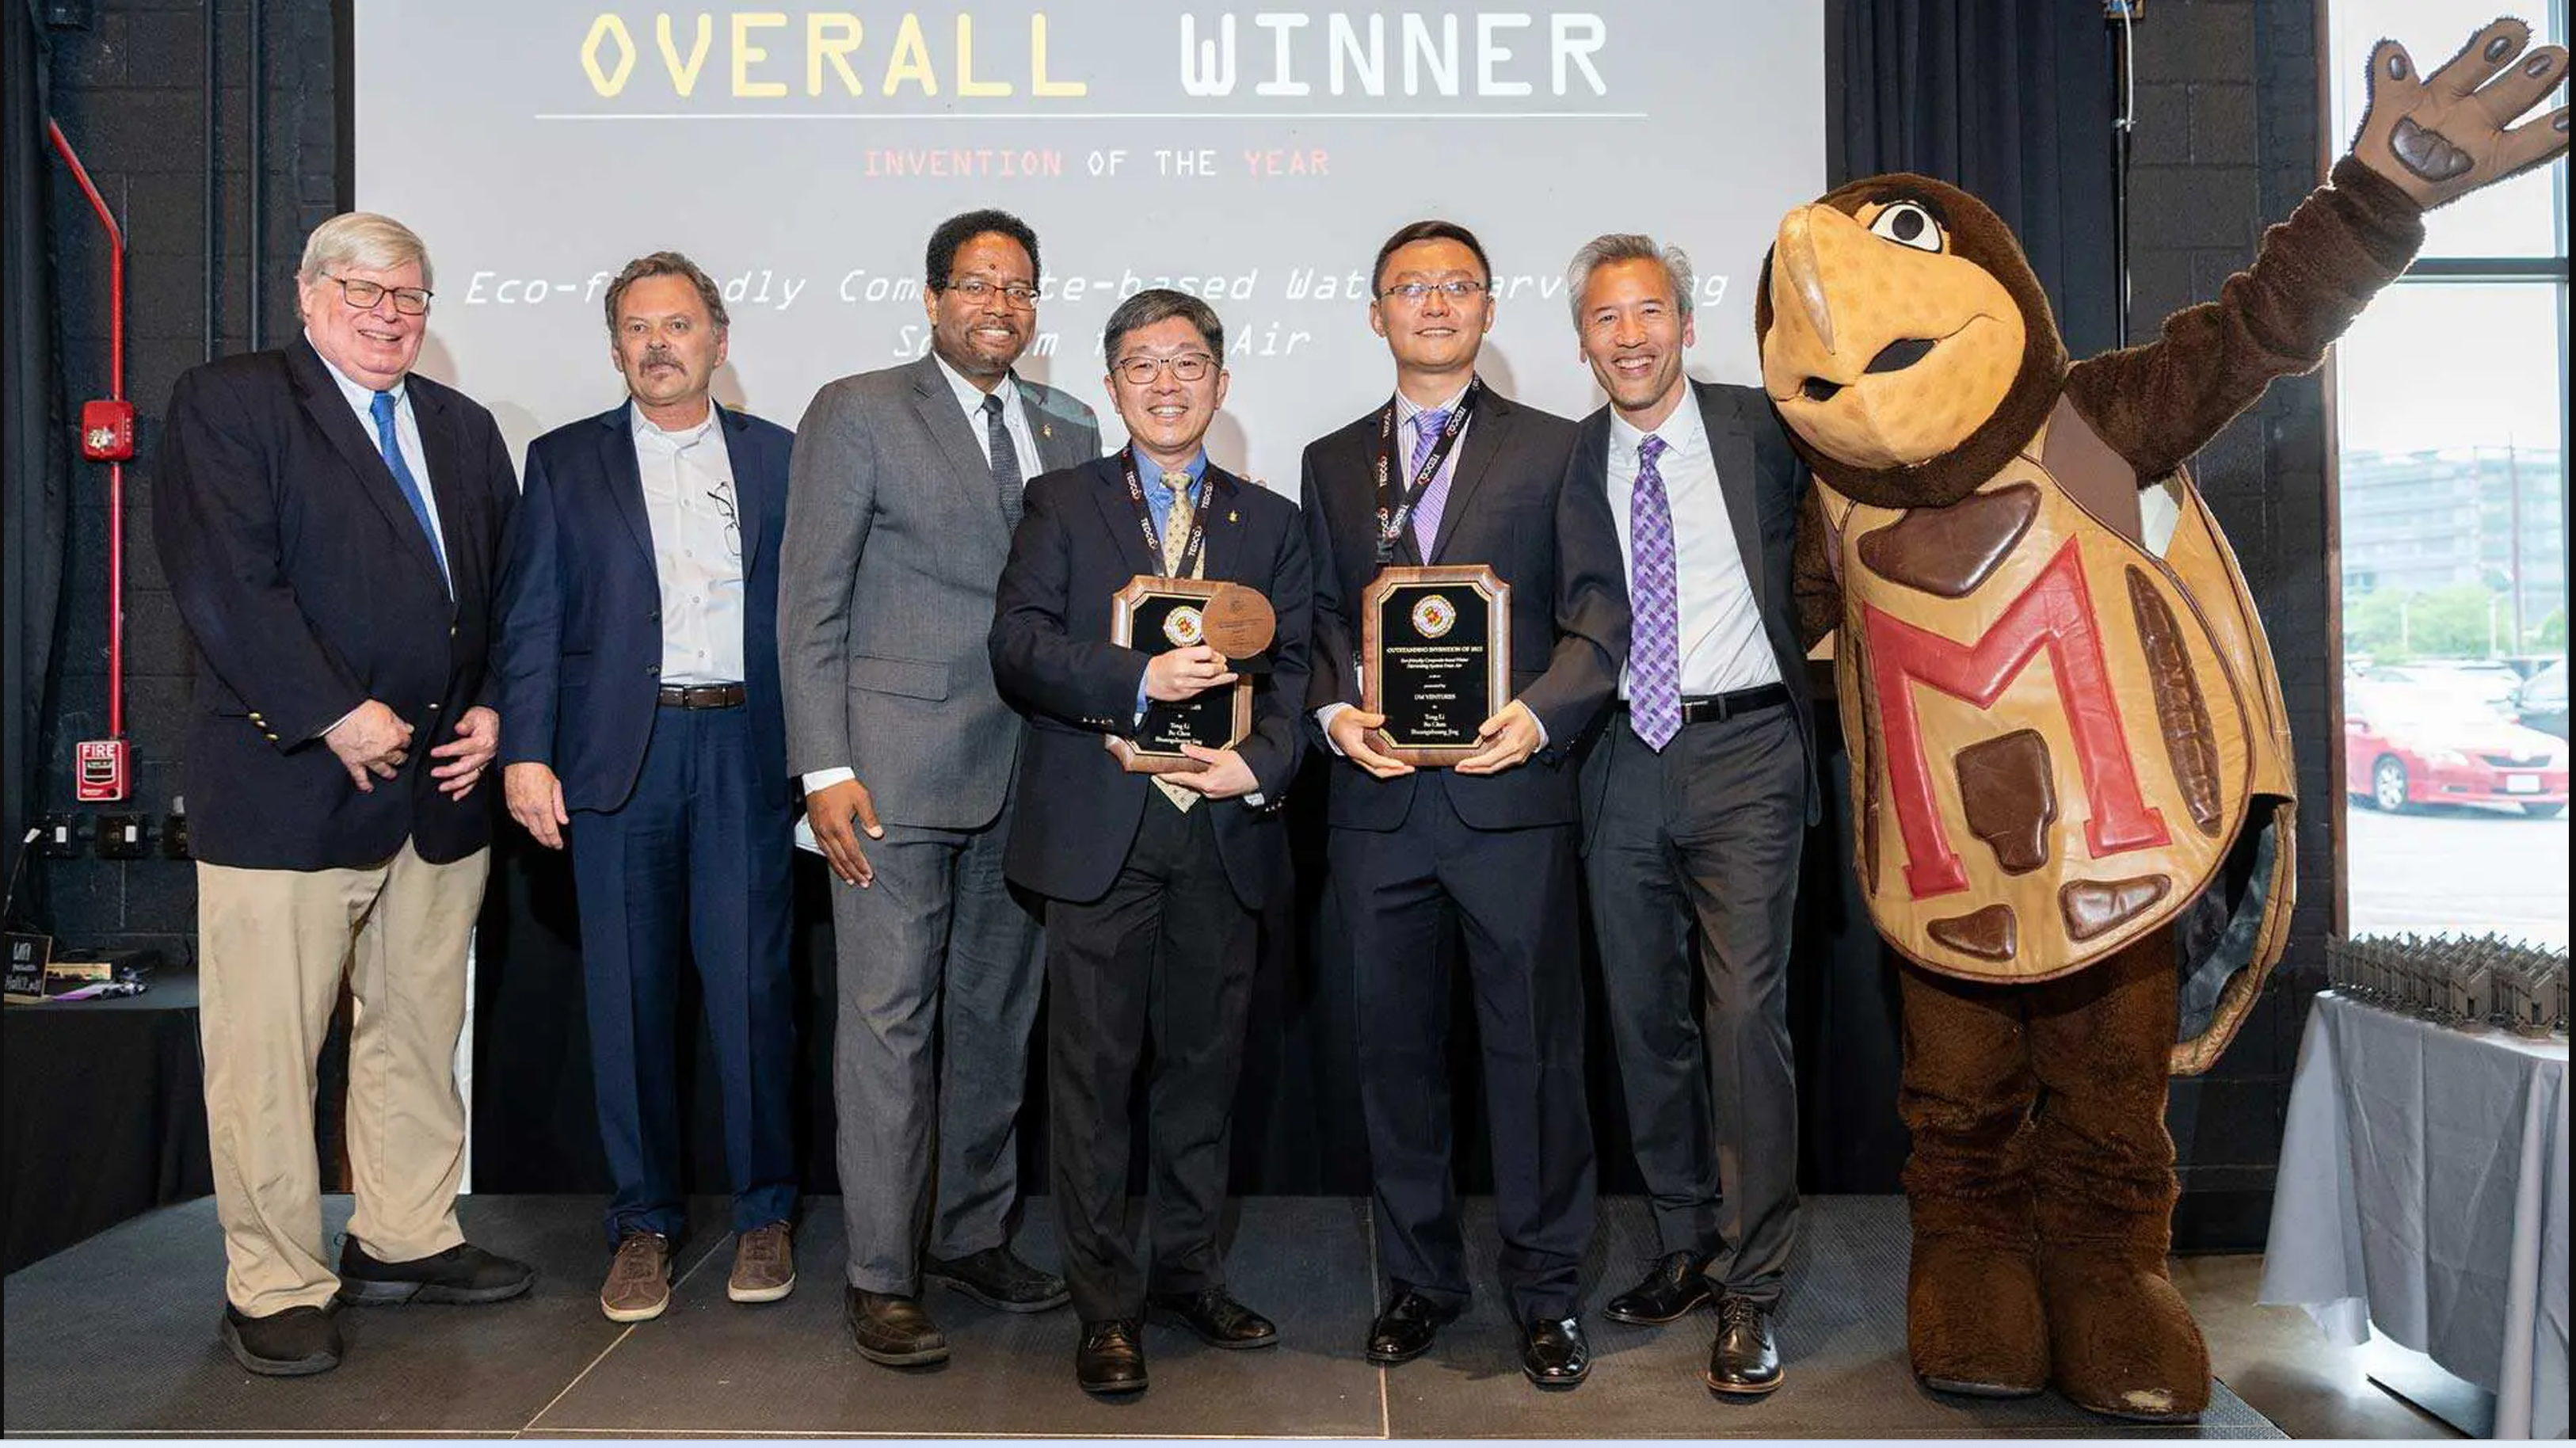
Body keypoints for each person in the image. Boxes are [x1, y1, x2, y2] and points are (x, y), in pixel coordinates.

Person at [154, 211, 532, 1377]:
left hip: (439, 795)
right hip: (288, 789)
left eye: (410, 296)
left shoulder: (464, 429)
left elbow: (512, 592)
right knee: (269, 1053)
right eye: (364, 290)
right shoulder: (232, 402)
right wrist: (330, 709)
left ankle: (405, 1231)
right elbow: (228, 585)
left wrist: (495, 708)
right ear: (309, 296)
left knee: (418, 1032)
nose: (388, 314)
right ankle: (273, 1279)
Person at [1300, 219, 1625, 1389]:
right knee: (1394, 1059)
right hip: (1380, 812)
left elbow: (1600, 614)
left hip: (1511, 801)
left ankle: (1546, 1295)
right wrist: (1338, 715)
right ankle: (1422, 1283)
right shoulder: (1333, 461)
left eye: (1456, 287)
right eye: (1408, 288)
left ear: (1489, 310)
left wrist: (1538, 714)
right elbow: (1325, 622)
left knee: (1536, 1056)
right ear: (1374, 311)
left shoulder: (1554, 447)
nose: (1433, 305)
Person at [779, 208, 1101, 1367]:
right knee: (886, 1027)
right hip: (891, 779)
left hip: (1033, 772)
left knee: (996, 1021)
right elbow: (808, 601)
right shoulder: (859, 410)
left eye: (1018, 287)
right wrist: (824, 767)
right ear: (931, 298)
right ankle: (880, 1270)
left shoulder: (1069, 425)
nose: (997, 305)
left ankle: (969, 1233)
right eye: (975, 284)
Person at [989, 288, 1311, 1396]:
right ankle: (1104, 1305)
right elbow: (1019, 646)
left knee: (1204, 1075)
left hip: (1219, 826)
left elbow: (1306, 670)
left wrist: (1258, 763)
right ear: (1113, 385)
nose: (1166, 382)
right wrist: (1135, 680)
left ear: (1221, 381)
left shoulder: (1270, 522)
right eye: (1141, 365)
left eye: (1186, 362)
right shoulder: (1061, 503)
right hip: (1102, 833)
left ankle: (1188, 1273)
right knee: (1092, 1078)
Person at [493, 252, 800, 1324]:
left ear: (718, 337)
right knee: (626, 1002)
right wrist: (525, 751)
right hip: (620, 759)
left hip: (747, 751)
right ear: (616, 344)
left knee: (755, 996)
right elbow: (530, 619)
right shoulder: (564, 462)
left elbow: (816, 622)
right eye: (636, 327)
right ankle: (642, 1224)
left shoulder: (782, 460)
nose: (657, 343)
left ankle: (766, 1211)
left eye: (677, 324)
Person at [1562, 234, 1818, 1396]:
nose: (1630, 336)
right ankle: (1684, 1243)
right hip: (1618, 753)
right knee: (1643, 1019)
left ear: (1686, 323)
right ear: (1582, 340)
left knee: (1742, 1017)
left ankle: (1753, 1289)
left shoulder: (1765, 427)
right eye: (1607, 319)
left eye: (1649, 312)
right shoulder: (1565, 460)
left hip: (1747, 750)